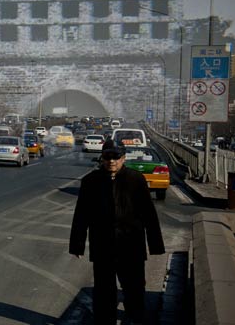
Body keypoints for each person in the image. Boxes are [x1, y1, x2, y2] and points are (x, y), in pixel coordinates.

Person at [69, 139, 165, 324]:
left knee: (134, 288)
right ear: (102, 158)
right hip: (102, 245)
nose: (111, 161)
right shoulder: (91, 181)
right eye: (107, 157)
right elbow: (82, 214)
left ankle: (135, 318)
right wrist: (77, 245)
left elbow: (149, 214)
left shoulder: (136, 179)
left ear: (124, 158)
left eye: (116, 157)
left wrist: (155, 245)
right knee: (104, 290)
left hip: (131, 245)